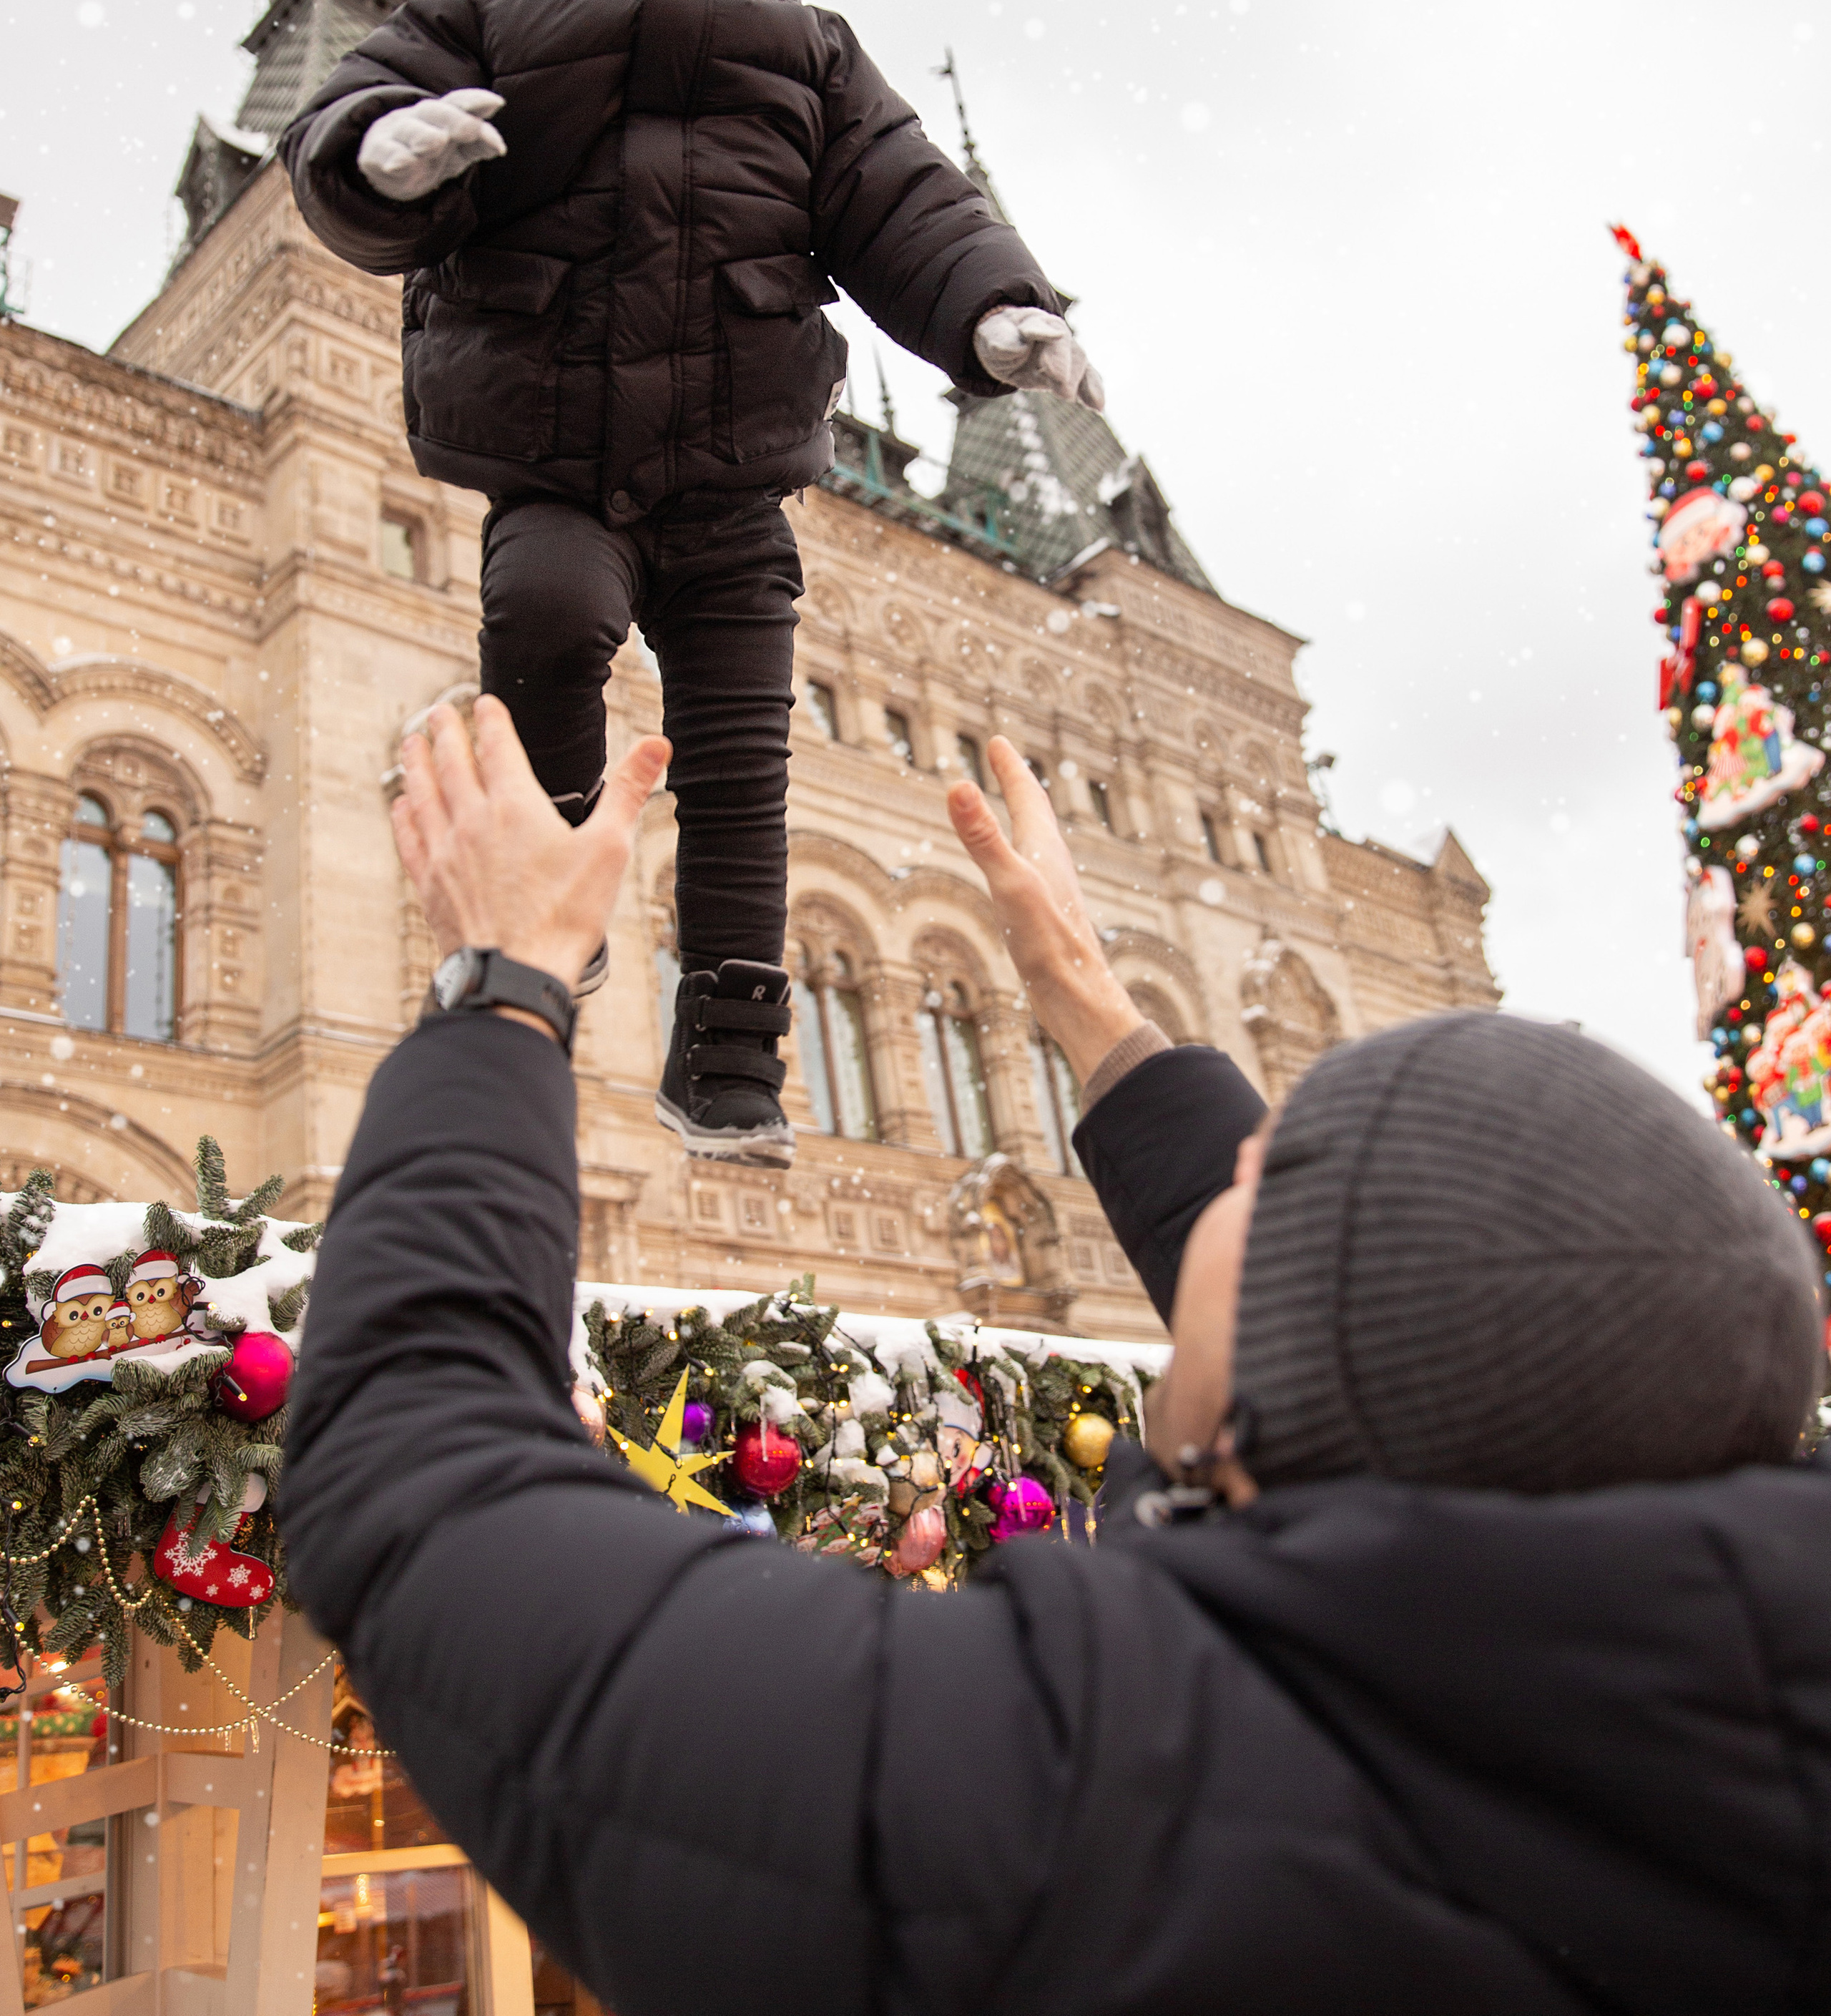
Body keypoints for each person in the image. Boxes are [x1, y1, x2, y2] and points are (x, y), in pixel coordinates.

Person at [283, 698, 1831, 2016]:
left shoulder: (1084, 1810)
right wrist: (1091, 1008)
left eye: (1264, 1177)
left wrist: (503, 988)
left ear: (1312, 1350)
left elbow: (419, 1481)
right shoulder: (1699, 1710)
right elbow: (1390, 1304)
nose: (1226, 1175)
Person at [280, 0, 1098, 1172]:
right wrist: (377, 154)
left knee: (739, 754)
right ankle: (550, 905)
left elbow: (905, 200)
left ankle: (731, 1051)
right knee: (540, 616)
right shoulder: (488, 27)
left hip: (730, 472)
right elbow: (340, 118)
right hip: (553, 451)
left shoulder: (810, 62)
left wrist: (993, 312)